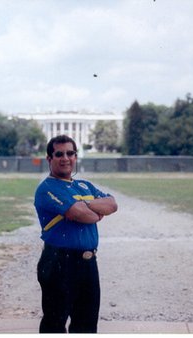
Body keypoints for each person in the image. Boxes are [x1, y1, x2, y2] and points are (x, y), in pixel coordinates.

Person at [34, 135, 118, 333]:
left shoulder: (84, 186)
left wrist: (85, 204)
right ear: (49, 159)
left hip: (88, 263)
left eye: (70, 153)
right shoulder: (46, 188)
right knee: (54, 324)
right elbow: (79, 214)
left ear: (75, 156)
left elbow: (112, 204)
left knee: (86, 324)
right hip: (59, 262)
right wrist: (94, 211)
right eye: (59, 154)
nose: (66, 158)